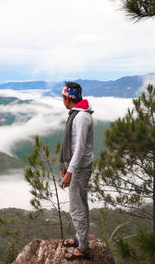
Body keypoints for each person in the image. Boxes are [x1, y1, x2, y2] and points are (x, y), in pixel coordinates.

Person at [60, 81, 94, 260]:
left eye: (63, 97)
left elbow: (79, 148)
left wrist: (70, 172)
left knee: (77, 207)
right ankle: (80, 238)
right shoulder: (79, 114)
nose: (62, 100)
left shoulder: (80, 117)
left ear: (68, 98)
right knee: (80, 204)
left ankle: (83, 248)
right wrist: (66, 166)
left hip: (79, 168)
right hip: (78, 166)